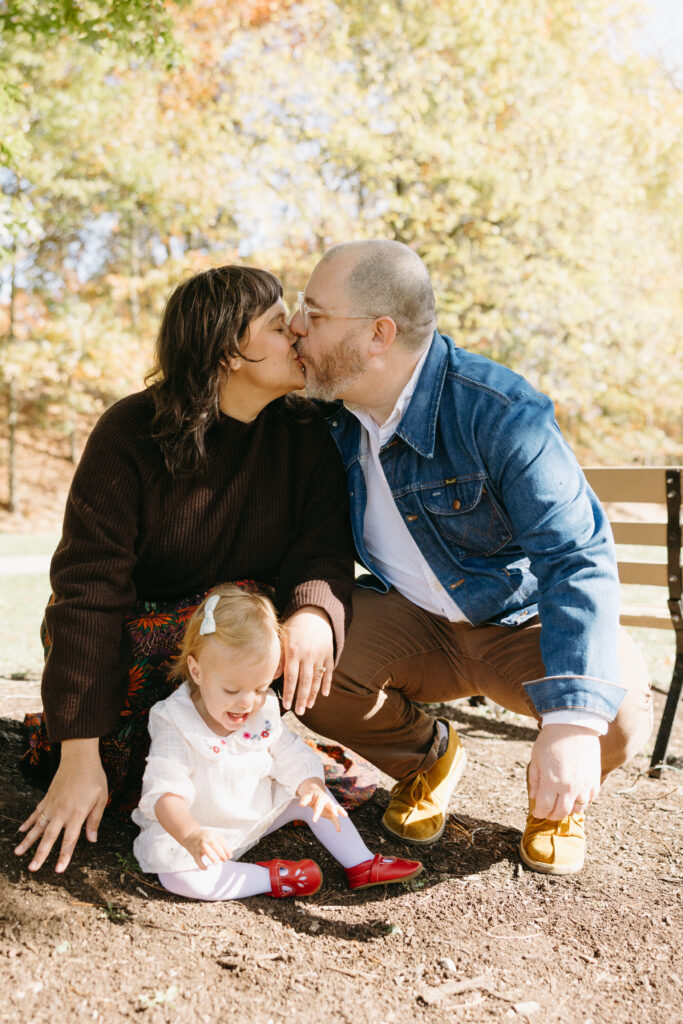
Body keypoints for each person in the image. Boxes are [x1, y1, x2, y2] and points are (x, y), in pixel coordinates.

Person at [290, 239, 653, 876]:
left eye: (314, 314)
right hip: (415, 624)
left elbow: (578, 555)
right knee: (305, 668)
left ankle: (556, 800)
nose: (295, 326)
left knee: (614, 711)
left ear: (379, 335)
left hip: (521, 625)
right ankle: (427, 757)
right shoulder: (327, 415)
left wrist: (572, 724)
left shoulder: (502, 413)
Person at [15, 265, 356, 875]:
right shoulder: (130, 433)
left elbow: (323, 549)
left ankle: (252, 758)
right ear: (230, 351)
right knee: (109, 773)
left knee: (252, 608)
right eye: (279, 325)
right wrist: (79, 753)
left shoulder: (307, 435)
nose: (299, 333)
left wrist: (311, 613)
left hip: (239, 649)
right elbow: (88, 590)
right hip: (129, 646)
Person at [133, 584, 422, 900]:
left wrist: (311, 785)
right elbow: (166, 790)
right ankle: (274, 877)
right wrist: (191, 835)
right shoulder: (175, 719)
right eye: (232, 690)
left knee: (312, 795)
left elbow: (290, 752)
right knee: (178, 877)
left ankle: (361, 862)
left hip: (254, 809)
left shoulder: (262, 707)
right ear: (197, 671)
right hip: (197, 828)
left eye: (259, 688)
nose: (247, 703)